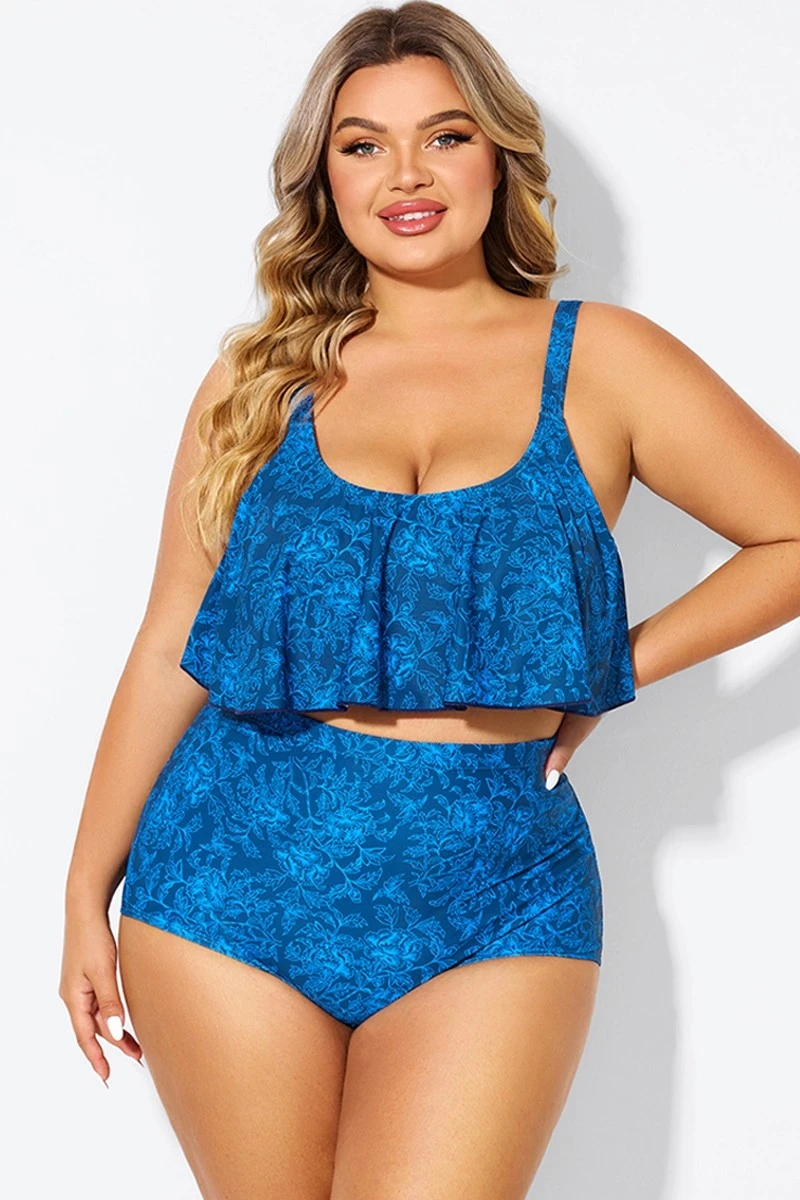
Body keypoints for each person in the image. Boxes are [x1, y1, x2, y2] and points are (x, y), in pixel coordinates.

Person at [59, 4, 800, 1198]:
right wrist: (83, 893)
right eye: (361, 145)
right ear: (323, 179)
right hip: (229, 872)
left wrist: (610, 666)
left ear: (497, 158)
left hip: (495, 885)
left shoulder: (603, 359)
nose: (404, 175)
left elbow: (789, 532)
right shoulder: (259, 380)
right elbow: (167, 645)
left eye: (443, 136)